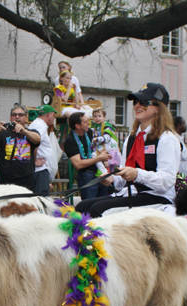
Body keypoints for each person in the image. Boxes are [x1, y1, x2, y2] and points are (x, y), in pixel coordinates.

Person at [75, 83, 180, 217]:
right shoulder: (132, 138)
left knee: (98, 210)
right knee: (82, 207)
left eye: (143, 102)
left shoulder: (167, 139)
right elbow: (125, 178)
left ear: (158, 108)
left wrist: (137, 174)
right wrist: (112, 179)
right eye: (136, 101)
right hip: (133, 193)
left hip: (158, 197)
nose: (137, 105)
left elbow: (167, 180)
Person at [0, 105, 41, 191]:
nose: (17, 117)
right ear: (10, 117)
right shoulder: (3, 133)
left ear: (26, 118)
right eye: (14, 114)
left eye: (20, 115)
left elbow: (38, 139)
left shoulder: (30, 132)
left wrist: (24, 132)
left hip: (26, 180)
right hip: (6, 180)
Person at [64, 111, 109, 200]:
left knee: (103, 204)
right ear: (77, 126)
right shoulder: (70, 141)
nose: (88, 123)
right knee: (89, 205)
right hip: (87, 175)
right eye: (85, 122)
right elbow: (78, 164)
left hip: (100, 171)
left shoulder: (89, 132)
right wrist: (99, 158)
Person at [27, 105, 57, 195]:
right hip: (40, 170)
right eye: (54, 116)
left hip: (41, 169)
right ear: (49, 115)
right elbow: (34, 141)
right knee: (41, 198)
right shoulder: (39, 125)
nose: (54, 118)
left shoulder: (38, 124)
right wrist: (33, 160)